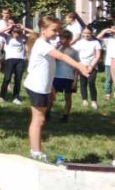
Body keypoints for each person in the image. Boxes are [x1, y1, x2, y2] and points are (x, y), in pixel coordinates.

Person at [24, 16, 94, 160]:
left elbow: (47, 68)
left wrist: (51, 88)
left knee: (40, 119)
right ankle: (36, 152)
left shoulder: (46, 43)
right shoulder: (42, 44)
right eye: (54, 30)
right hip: (37, 86)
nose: (57, 33)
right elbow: (62, 57)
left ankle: (36, 151)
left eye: (58, 30)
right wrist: (80, 66)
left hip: (43, 86)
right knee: (38, 120)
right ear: (43, 30)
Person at [0, 10, 32, 104]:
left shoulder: (22, 37)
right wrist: (10, 26)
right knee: (7, 78)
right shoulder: (7, 36)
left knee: (18, 79)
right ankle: (2, 96)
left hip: (20, 60)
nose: (16, 34)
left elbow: (35, 34)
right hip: (9, 59)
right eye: (14, 32)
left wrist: (23, 28)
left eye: (17, 32)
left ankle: (16, 96)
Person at [74, 26, 101, 109]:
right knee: (83, 83)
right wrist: (81, 65)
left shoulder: (96, 42)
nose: (86, 35)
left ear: (92, 33)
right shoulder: (79, 43)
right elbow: (76, 55)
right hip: (82, 66)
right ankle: (84, 100)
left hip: (92, 66)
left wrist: (91, 66)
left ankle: (94, 101)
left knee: (91, 83)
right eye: (85, 33)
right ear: (82, 33)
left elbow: (98, 55)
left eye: (88, 33)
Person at [53, 29, 78, 121]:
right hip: (57, 76)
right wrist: (56, 48)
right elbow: (53, 60)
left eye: (64, 38)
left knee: (67, 97)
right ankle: (47, 113)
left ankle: (65, 115)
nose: (62, 40)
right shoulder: (57, 49)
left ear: (69, 39)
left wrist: (75, 81)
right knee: (51, 96)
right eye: (60, 38)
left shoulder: (73, 52)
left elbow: (76, 67)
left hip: (68, 77)